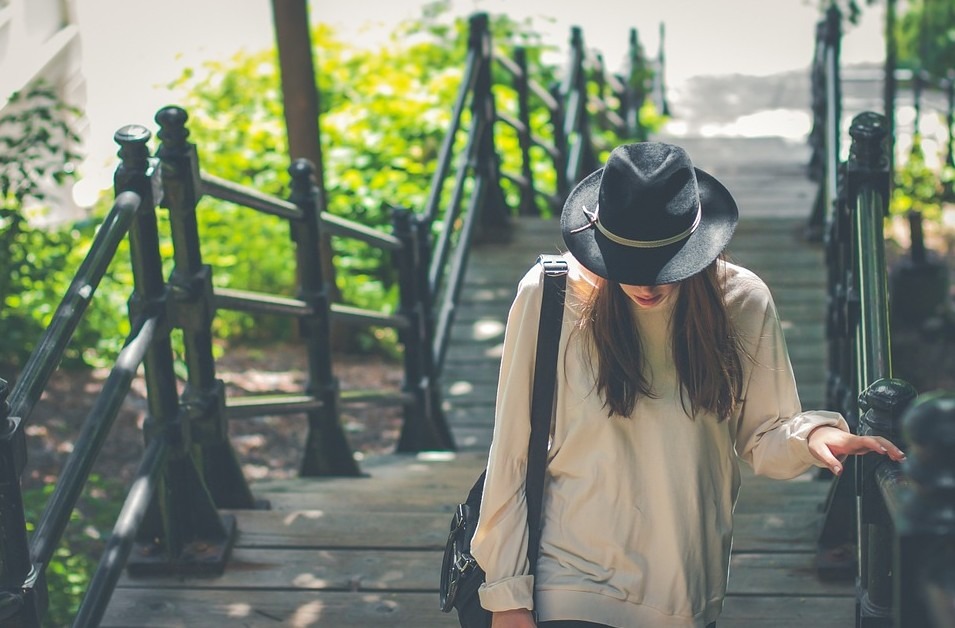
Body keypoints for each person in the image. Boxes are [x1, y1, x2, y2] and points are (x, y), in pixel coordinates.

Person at [469, 142, 906, 628]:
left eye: (664, 262)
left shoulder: (741, 300)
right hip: (569, 575)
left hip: (684, 586)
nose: (647, 284)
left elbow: (763, 436)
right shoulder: (549, 294)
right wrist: (506, 594)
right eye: (629, 263)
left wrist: (813, 436)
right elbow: (511, 447)